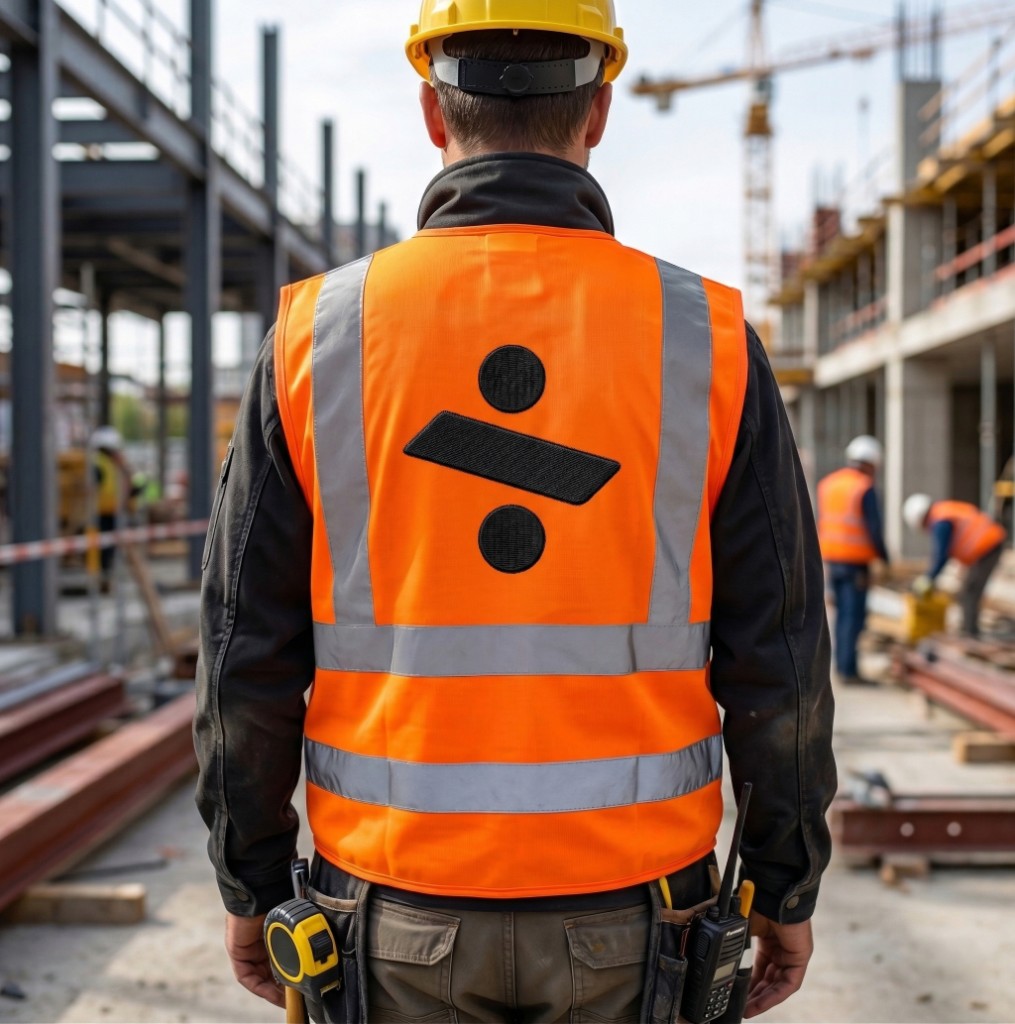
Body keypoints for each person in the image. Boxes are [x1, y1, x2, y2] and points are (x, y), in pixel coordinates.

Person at [194, 3, 836, 1022]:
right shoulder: (705, 338)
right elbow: (779, 651)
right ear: (601, 109)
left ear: (428, 108)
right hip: (639, 917)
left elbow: (244, 648)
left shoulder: (318, 334)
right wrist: (781, 878)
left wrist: (252, 879)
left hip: (388, 908)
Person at [816, 435, 890, 686]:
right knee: (853, 617)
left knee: (840, 616)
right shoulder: (863, 487)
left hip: (832, 559)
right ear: (870, 463)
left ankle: (840, 666)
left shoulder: (829, 484)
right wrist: (884, 558)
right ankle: (849, 671)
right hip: (855, 562)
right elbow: (874, 528)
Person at [904, 493, 1008, 638]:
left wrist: (928, 578)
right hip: (987, 545)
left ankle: (970, 635)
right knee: (967, 590)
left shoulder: (940, 521)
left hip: (988, 546)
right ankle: (969, 631)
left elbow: (941, 555)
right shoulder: (943, 512)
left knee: (970, 592)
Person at [89, 426, 136, 577]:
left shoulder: (109, 463)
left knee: (107, 546)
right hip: (100, 512)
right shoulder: (99, 463)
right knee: (103, 547)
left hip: (110, 510)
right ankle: (101, 573)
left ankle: (104, 572)